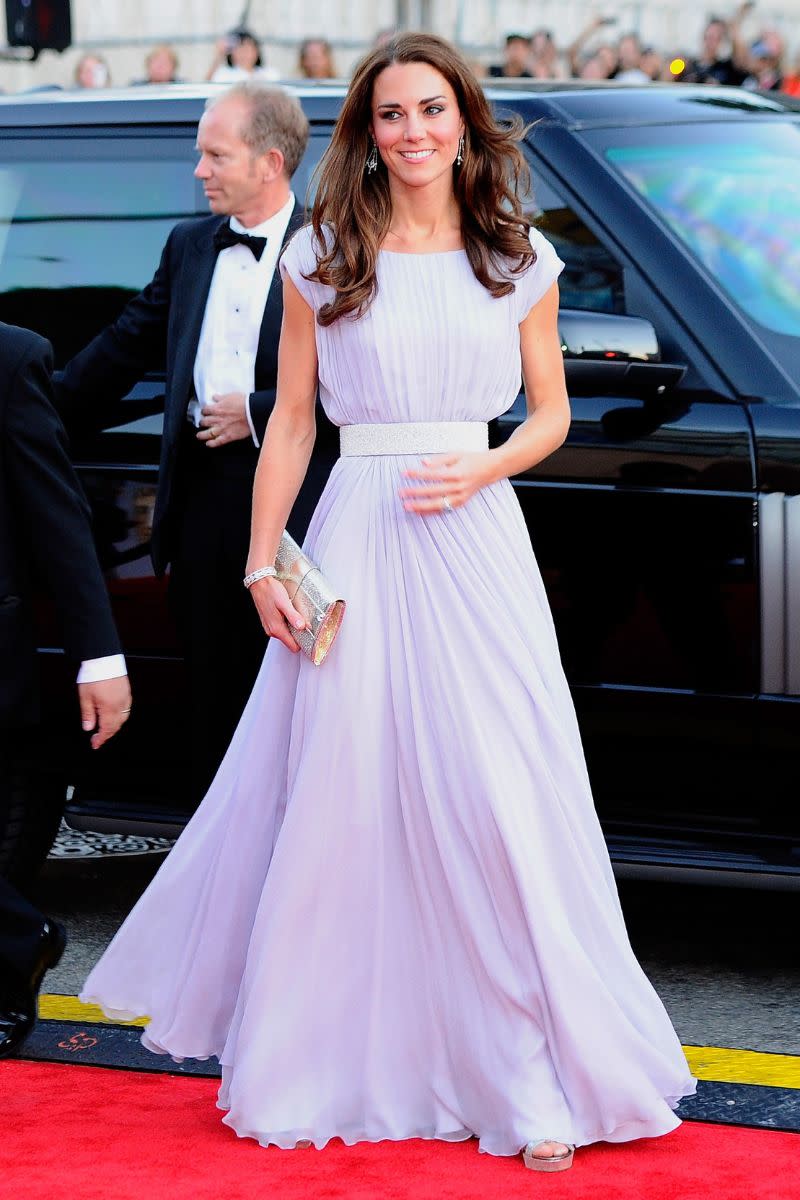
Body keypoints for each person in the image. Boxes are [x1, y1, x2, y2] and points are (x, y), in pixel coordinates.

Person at [80, 33, 695, 1170]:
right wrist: (265, 560)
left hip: (473, 534)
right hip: (356, 531)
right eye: (389, 115)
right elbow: (295, 422)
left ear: (465, 119)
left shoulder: (518, 256)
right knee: (347, 799)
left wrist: (488, 465)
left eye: (430, 110)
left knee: (499, 798)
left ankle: (519, 1071)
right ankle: (336, 1056)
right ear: (364, 133)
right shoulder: (323, 251)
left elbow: (550, 415)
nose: (411, 132)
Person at [54, 83, 337, 802]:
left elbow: (369, 385)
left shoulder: (331, 250)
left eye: (215, 155)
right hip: (203, 504)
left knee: (304, 700)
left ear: (271, 162)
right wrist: (31, 407)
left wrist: (259, 408)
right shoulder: (187, 245)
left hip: (307, 510)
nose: (198, 170)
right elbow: (124, 346)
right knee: (212, 697)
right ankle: (220, 867)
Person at [0, 322, 131, 1059]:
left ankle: (16, 943)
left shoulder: (12, 358)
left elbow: (57, 516)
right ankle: (19, 938)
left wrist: (99, 655)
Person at [207, 29, 279, 83]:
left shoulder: (269, 73)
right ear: (231, 53)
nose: (245, 54)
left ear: (257, 51)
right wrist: (219, 55)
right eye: (240, 50)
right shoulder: (224, 74)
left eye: (248, 49)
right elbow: (208, 86)